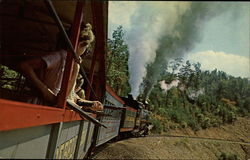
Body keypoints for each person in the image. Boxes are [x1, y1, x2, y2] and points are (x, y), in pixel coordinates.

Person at [19, 23, 103, 111]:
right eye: (85, 47)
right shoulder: (60, 57)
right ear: (80, 44)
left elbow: (69, 95)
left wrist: (90, 103)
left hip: (49, 109)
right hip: (39, 106)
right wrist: (45, 91)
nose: (85, 50)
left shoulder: (71, 63)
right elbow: (25, 66)